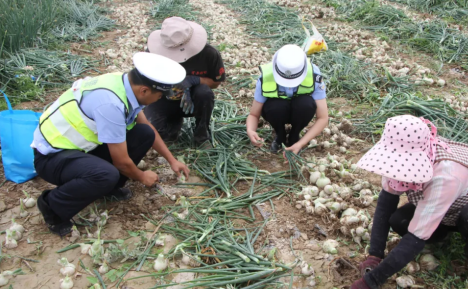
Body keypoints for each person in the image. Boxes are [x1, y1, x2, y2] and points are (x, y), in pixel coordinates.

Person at [343, 115, 468, 289]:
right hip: (448, 207)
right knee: (398, 220)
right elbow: (386, 204)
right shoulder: (395, 157)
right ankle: (438, 239)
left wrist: (369, 284)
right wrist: (374, 255)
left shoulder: (446, 174)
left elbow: (416, 236)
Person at [32, 52, 190, 237]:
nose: (159, 99)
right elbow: (122, 161)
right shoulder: (110, 105)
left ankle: (108, 188)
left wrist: (172, 160)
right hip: (52, 157)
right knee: (106, 174)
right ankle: (52, 206)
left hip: (81, 149)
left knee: (144, 133)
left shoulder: (126, 84)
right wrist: (141, 176)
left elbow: (146, 126)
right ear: (145, 91)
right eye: (160, 95)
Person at [144, 17, 226, 146]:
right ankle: (173, 122)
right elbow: (144, 83)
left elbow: (215, 83)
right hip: (164, 97)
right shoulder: (153, 54)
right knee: (155, 135)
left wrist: (193, 80)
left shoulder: (209, 54)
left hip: (192, 102)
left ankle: (201, 134)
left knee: (204, 92)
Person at [246, 44, 328, 154]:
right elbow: (253, 114)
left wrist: (301, 143)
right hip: (278, 112)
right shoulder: (266, 77)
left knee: (306, 104)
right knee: (275, 106)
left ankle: (295, 134)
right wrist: (250, 130)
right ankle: (280, 134)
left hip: (300, 111)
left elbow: (323, 118)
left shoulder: (313, 75)